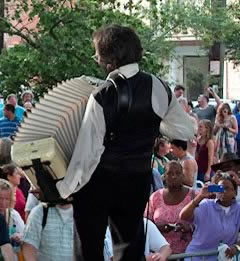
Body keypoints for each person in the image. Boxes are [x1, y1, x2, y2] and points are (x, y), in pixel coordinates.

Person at [62, 25, 196, 259]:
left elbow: (87, 153)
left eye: (98, 55)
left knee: (88, 250)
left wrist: (64, 188)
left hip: (98, 183)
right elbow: (185, 129)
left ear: (109, 60)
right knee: (130, 248)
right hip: (136, 181)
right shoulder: (158, 86)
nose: (97, 59)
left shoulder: (101, 94)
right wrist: (153, 123)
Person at [180, 175, 240, 258]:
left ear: (235, 192)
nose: (223, 191)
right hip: (197, 256)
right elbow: (183, 216)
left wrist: (236, 247)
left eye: (227, 188)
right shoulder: (206, 204)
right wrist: (200, 196)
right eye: (220, 188)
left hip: (222, 257)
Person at [144, 162, 195, 254]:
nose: (174, 176)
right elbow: (146, 223)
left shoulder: (193, 195)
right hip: (160, 253)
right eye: (170, 173)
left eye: (178, 173)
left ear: (183, 176)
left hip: (187, 253)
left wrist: (190, 228)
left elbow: (205, 223)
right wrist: (158, 228)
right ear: (164, 176)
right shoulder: (155, 197)